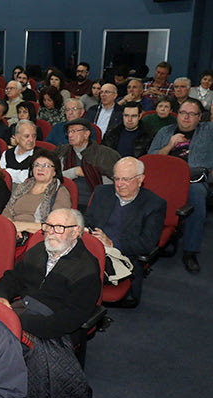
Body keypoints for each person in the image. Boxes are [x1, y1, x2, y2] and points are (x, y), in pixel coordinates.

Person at [0, 208, 99, 398]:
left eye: (59, 228)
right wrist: (0, 297)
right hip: (23, 310)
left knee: (0, 352)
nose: (51, 233)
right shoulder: (39, 250)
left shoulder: (87, 268)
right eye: (48, 226)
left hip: (51, 326)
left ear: (76, 231)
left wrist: (19, 323)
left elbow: (70, 318)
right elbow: (13, 278)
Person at [84, 157, 165, 306]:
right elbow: (88, 220)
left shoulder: (154, 204)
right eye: (117, 178)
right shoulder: (101, 193)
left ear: (140, 179)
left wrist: (112, 243)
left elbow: (147, 243)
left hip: (122, 256)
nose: (120, 184)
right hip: (93, 247)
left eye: (126, 179)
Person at [148, 99, 213, 273]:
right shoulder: (165, 131)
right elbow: (152, 157)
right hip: (164, 178)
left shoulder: (208, 131)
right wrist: (169, 145)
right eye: (183, 113)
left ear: (200, 117)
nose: (186, 117)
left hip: (193, 180)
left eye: (192, 114)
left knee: (197, 196)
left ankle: (190, 251)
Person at [2, 150, 72, 239]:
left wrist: (21, 226)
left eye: (46, 166)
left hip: (38, 236)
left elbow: (57, 225)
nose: (40, 169)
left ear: (55, 172)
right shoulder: (23, 187)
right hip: (12, 232)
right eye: (37, 165)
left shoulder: (60, 192)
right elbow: (7, 211)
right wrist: (11, 227)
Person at [55, 118, 121, 209]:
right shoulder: (62, 152)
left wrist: (90, 173)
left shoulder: (105, 154)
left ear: (86, 134)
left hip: (94, 202)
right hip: (65, 199)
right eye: (69, 132)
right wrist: (74, 172)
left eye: (74, 131)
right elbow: (53, 177)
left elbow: (113, 182)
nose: (70, 135)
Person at [0, 120, 38, 185]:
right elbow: (0, 174)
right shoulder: (7, 154)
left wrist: (8, 171)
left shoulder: (40, 155)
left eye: (34, 136)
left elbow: (29, 177)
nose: (31, 140)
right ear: (16, 138)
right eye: (26, 136)